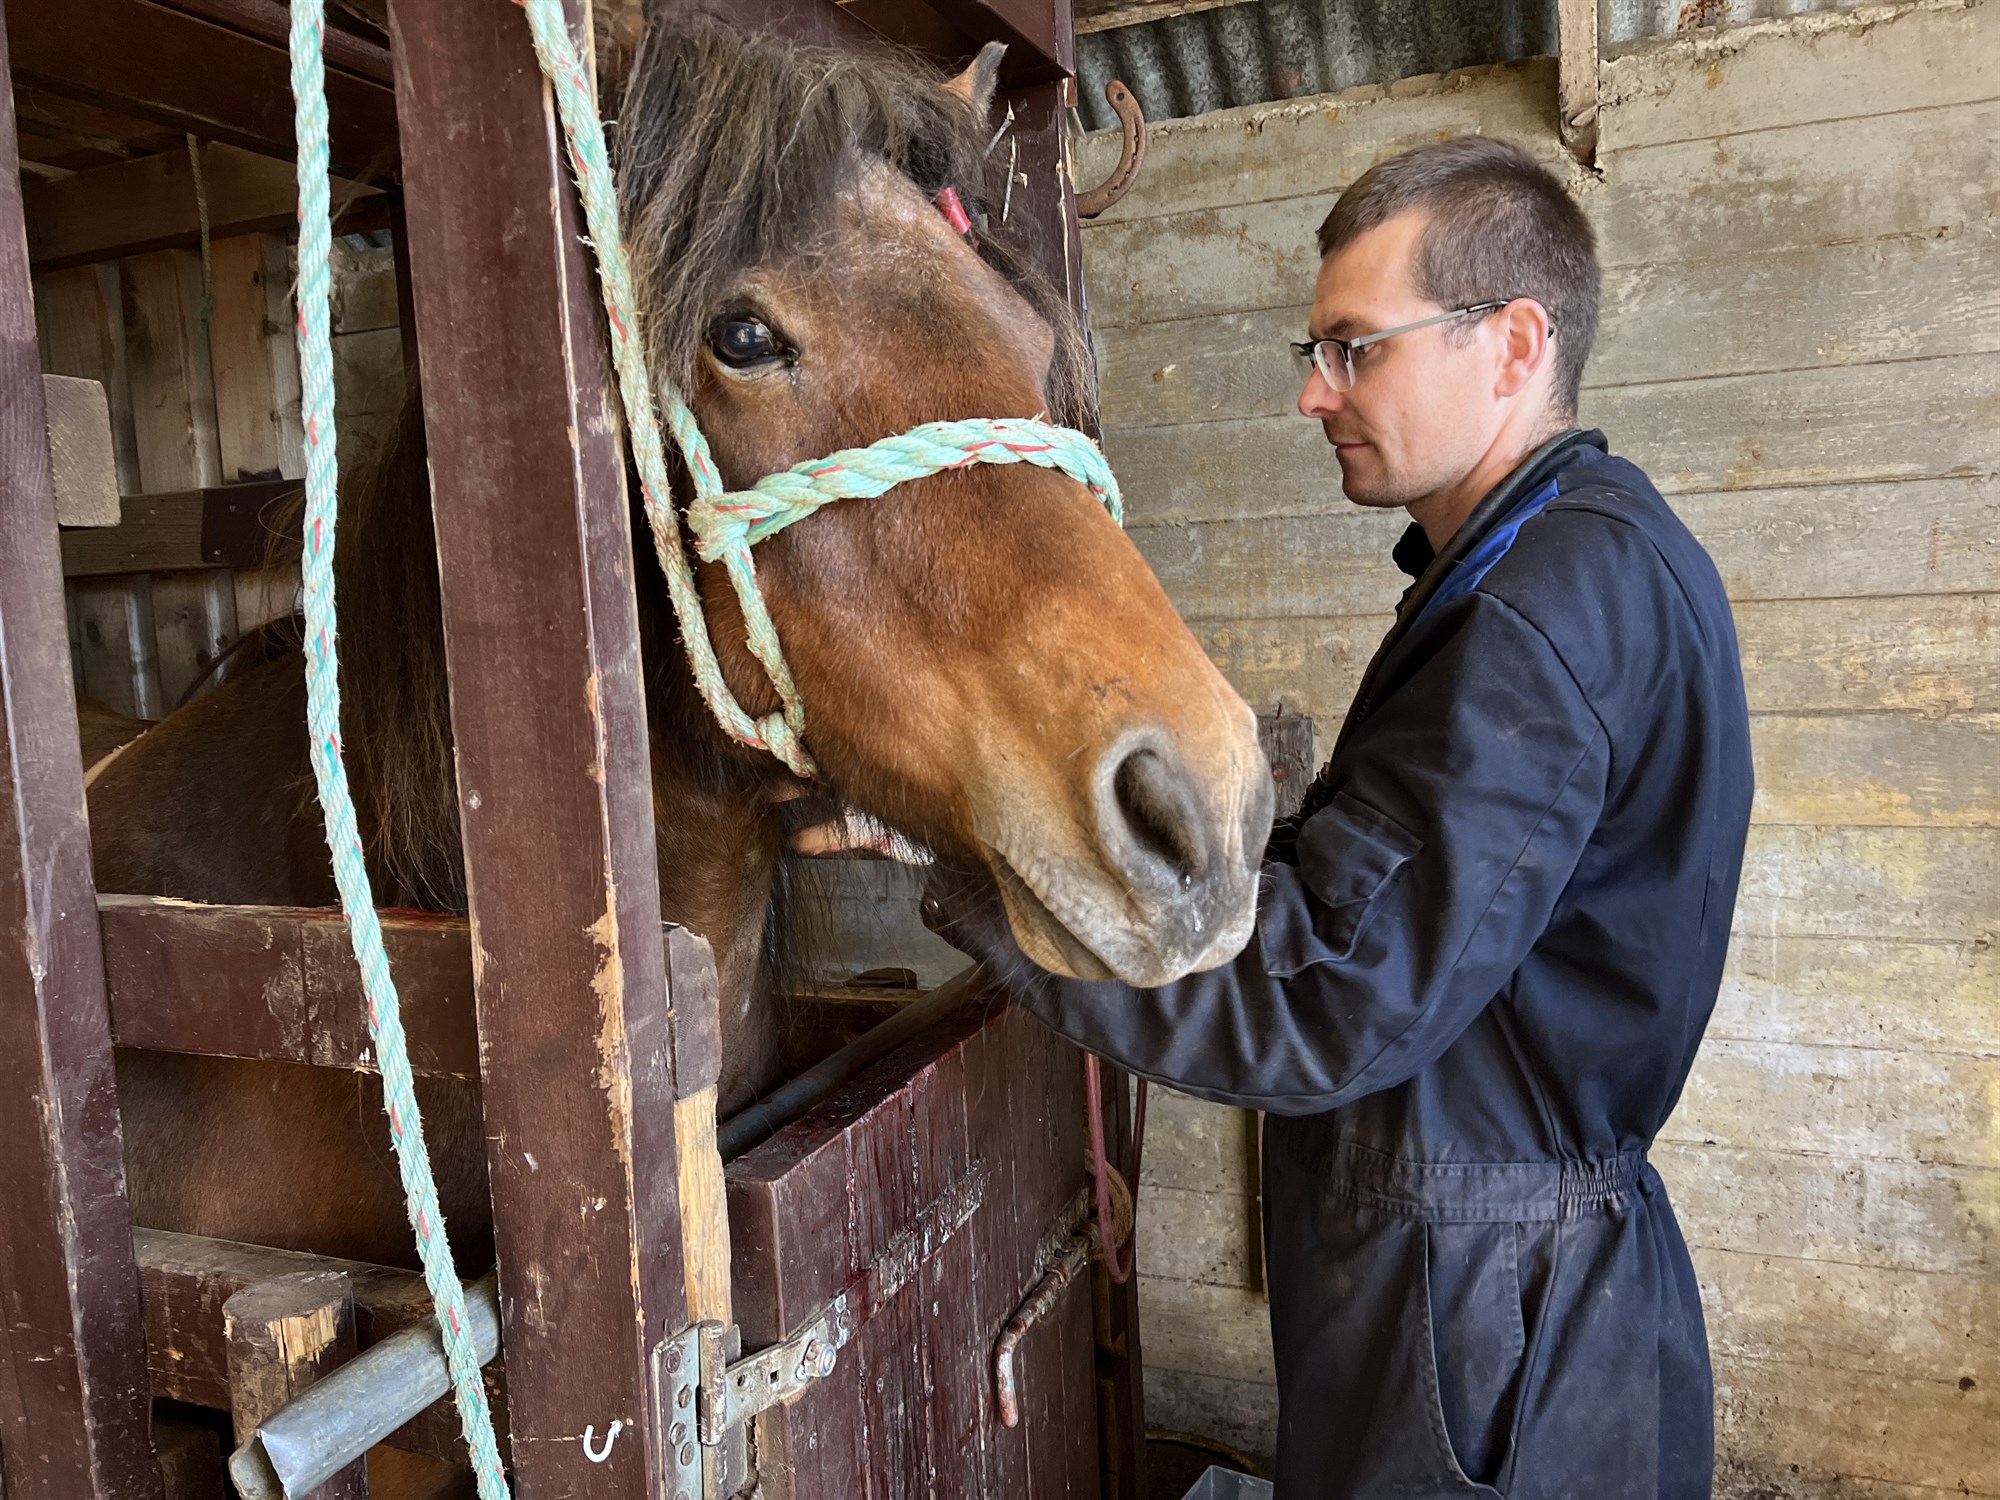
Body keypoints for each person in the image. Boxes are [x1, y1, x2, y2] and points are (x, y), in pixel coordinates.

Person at [922, 135, 1753, 1499]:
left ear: (1514, 343)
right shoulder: (1574, 560)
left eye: (1357, 347)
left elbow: (1326, 1000)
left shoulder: (1544, 607)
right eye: (1315, 350)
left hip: (1484, 1327)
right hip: (1510, 1282)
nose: (1315, 394)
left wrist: (989, 876)